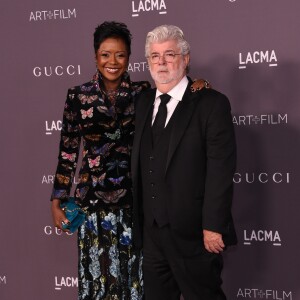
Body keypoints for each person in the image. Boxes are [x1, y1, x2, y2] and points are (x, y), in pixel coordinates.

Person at [50, 21, 209, 300]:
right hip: (92, 208)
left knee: (134, 283)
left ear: (129, 57)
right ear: (95, 57)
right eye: (105, 54)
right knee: (97, 282)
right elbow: (67, 153)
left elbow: (174, 86)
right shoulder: (77, 97)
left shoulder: (144, 93)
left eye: (120, 55)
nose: (113, 61)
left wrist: (196, 84)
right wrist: (57, 200)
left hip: (134, 205)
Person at [131, 25, 237, 300]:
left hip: (195, 235)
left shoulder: (211, 104)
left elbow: (220, 169)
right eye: (155, 56)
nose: (162, 62)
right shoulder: (141, 102)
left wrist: (213, 225)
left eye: (170, 54)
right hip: (152, 234)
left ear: (186, 59)